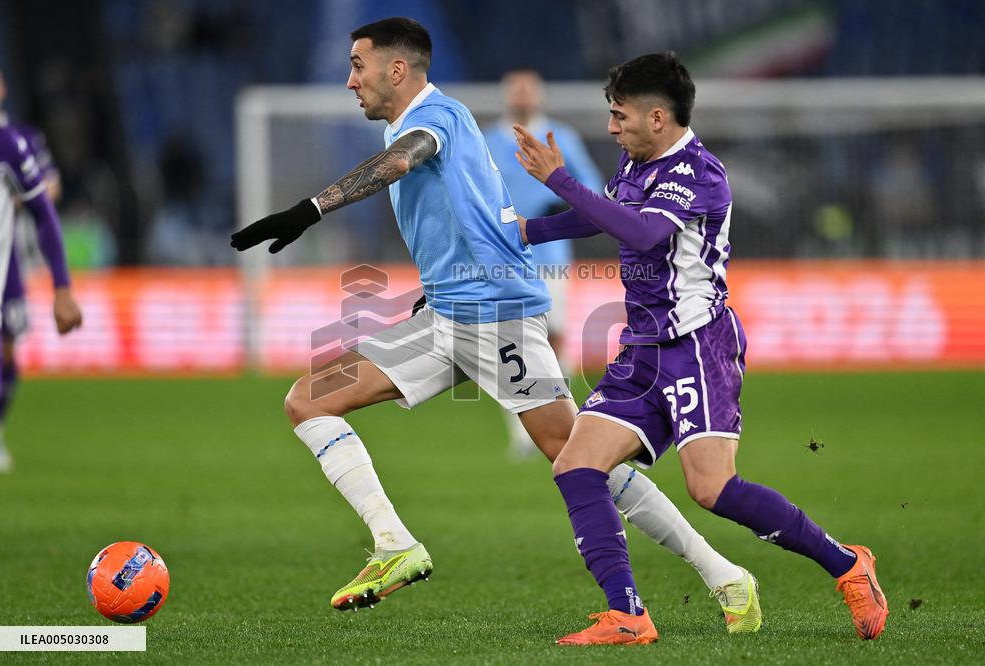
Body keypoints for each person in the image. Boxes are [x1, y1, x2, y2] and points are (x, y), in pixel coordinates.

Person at [231, 18, 759, 629]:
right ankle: (395, 546)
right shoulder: (427, 120)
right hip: (449, 312)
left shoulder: (439, 118)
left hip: (496, 315)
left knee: (576, 455)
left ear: (395, 70)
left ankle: (721, 574)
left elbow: (404, 160)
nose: (351, 81)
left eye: (358, 66)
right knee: (308, 400)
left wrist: (310, 208)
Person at [514, 52, 887, 645]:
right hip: (642, 349)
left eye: (619, 116)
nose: (612, 127)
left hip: (697, 347)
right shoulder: (636, 163)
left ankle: (847, 564)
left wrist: (558, 181)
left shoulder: (698, 173)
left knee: (712, 489)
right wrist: (525, 230)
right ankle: (628, 615)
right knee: (577, 466)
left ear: (656, 117)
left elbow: (641, 231)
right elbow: (606, 217)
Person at [483, 69, 602, 458]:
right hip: (503, 256)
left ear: (538, 95)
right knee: (509, 341)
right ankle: (522, 432)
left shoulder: (561, 138)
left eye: (527, 89)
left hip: (551, 255)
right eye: (514, 89)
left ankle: (564, 421)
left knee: (554, 336)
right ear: (506, 96)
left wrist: (565, 201)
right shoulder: (485, 142)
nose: (521, 96)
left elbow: (594, 189)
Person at [0, 60, 76, 473]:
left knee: (8, 346)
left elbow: (47, 195)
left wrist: (61, 287)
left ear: (1, 88)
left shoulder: (14, 140)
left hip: (3, 273)